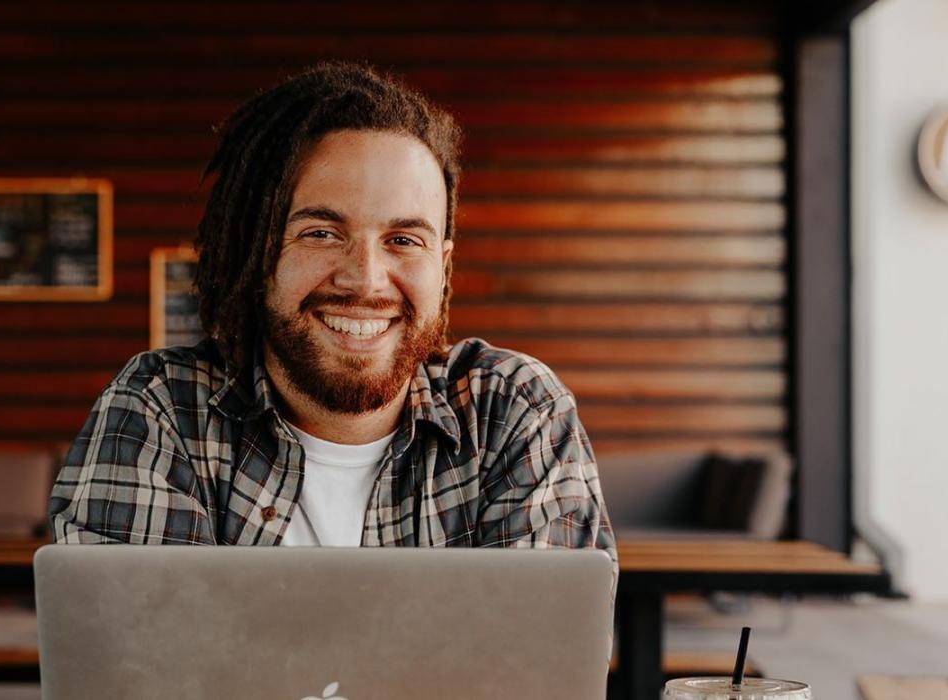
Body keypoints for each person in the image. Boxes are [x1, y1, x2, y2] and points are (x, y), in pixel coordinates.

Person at [47, 61, 614, 562]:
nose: (364, 279)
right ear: (256, 249)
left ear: (443, 266)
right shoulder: (161, 410)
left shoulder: (514, 412)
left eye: (404, 240)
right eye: (320, 232)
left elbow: (534, 677)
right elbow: (138, 675)